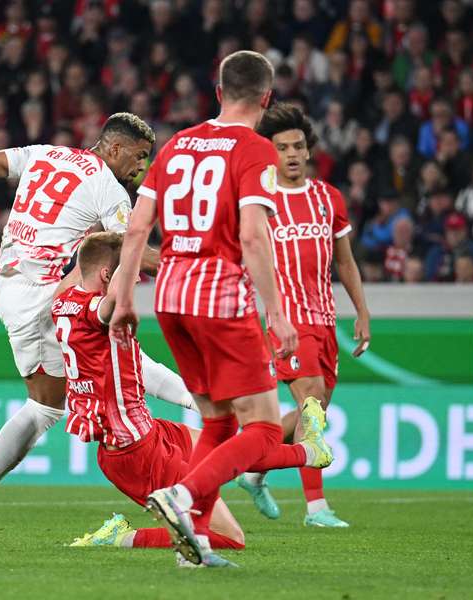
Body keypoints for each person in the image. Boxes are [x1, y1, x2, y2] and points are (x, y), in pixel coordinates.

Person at [0, 113, 189, 541]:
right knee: (68, 392)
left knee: (68, 390)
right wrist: (192, 265)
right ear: (114, 147)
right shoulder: (108, 188)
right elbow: (132, 250)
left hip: (18, 287)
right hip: (40, 295)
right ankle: (206, 405)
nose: (142, 166)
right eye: (140, 155)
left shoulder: (45, 154)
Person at [109, 51, 331, 568]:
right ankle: (183, 496)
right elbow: (252, 236)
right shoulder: (254, 151)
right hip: (220, 297)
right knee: (262, 428)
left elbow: (139, 228)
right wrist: (277, 314)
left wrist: (123, 297)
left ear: (217, 93)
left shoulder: (178, 144)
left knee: (217, 422)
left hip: (170, 295)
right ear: (266, 99)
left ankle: (196, 544)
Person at [58, 232, 328, 552]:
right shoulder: (97, 311)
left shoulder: (63, 301)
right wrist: (134, 240)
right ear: (107, 274)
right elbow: (113, 299)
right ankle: (120, 536)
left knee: (227, 448)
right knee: (230, 538)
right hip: (133, 453)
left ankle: (311, 451)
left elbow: (89, 269)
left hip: (150, 431)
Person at [232, 103, 370, 528]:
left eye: (298, 146)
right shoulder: (260, 200)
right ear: (269, 153)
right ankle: (316, 509)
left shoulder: (330, 199)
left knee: (315, 411)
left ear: (308, 151)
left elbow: (344, 263)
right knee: (311, 402)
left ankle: (252, 465)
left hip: (326, 320)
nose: (291, 154)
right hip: (286, 321)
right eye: (282, 147)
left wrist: (362, 312)